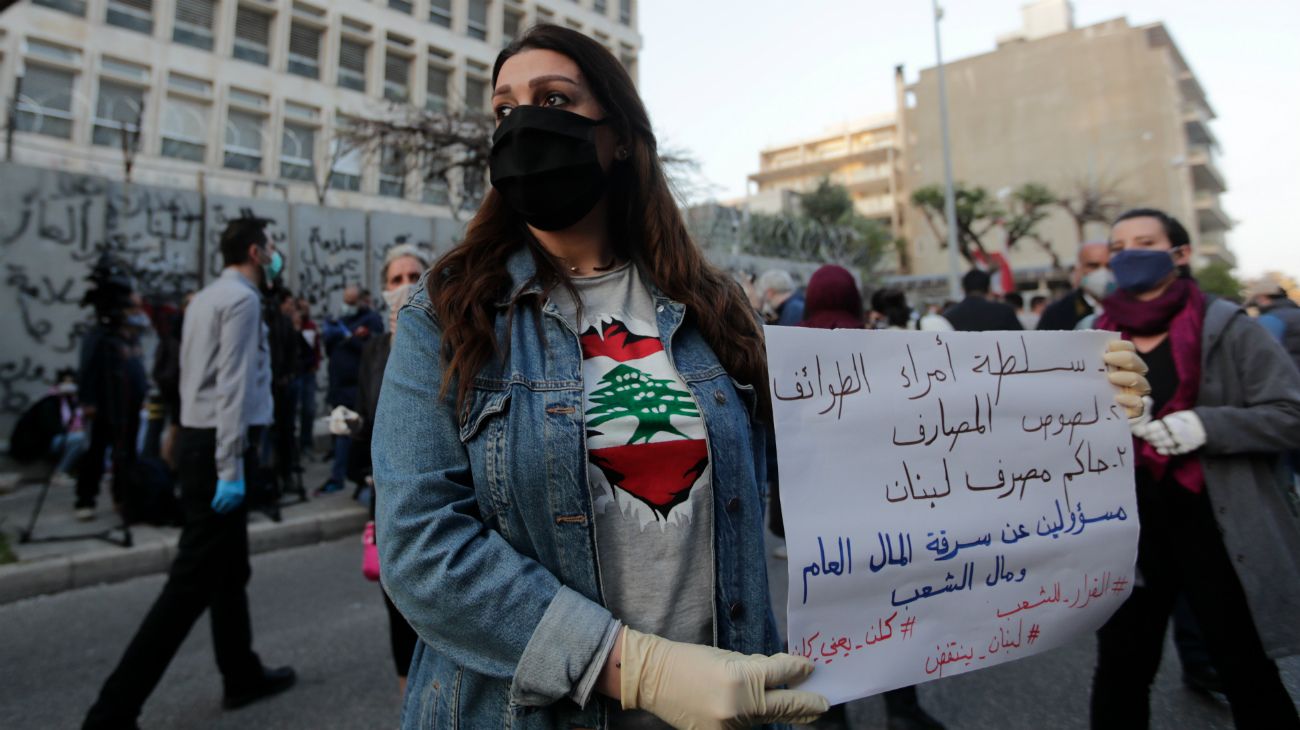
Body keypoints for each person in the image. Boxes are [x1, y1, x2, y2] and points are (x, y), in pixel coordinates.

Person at [372, 25, 829, 730]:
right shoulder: (447, 312)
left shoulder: (716, 310)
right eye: (503, 109)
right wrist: (638, 667)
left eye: (554, 99)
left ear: (618, 137)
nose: (522, 124)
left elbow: (800, 483)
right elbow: (420, 546)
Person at [1089, 208, 1300, 729]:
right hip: (1128, 533)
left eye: (1144, 242)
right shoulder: (1092, 336)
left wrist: (1207, 426)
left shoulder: (1227, 327)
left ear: (1180, 254)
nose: (1128, 255)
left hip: (1217, 527)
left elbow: (1289, 414)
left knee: (1244, 667)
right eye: (1118, 247)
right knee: (1121, 670)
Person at [82, 218, 295, 729]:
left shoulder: (204, 298)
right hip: (221, 448)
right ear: (253, 251)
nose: (275, 255)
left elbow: (190, 375)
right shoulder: (242, 301)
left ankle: (240, 674)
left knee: (228, 570)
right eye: (270, 247)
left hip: (202, 441)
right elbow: (231, 389)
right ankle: (112, 710)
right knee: (189, 584)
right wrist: (230, 467)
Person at [802, 266, 947, 730]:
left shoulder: (787, 350)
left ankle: (831, 713)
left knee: (825, 612)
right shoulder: (880, 347)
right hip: (882, 506)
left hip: (816, 511)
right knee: (892, 607)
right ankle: (902, 711)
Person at [333, 244, 428, 694]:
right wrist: (352, 426)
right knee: (396, 601)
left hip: (438, 491)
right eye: (396, 279)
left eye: (415, 276)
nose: (406, 286)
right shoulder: (374, 350)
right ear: (384, 288)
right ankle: (408, 700)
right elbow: (368, 412)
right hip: (387, 494)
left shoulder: (446, 338)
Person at [74, 259, 150, 522]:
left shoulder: (131, 336)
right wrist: (89, 401)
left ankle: (123, 497)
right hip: (107, 405)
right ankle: (85, 499)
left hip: (129, 404)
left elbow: (137, 368)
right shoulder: (100, 336)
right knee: (97, 451)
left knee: (127, 453)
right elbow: (88, 368)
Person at [319, 285, 383, 494]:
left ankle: (346, 476)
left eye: (352, 302)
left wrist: (351, 338)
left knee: (351, 433)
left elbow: (374, 351)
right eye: (345, 301)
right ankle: (343, 474)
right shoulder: (341, 321)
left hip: (356, 389)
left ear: (361, 301)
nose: (347, 306)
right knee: (339, 432)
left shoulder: (370, 320)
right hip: (339, 386)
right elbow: (332, 349)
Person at [1038, 242, 1112, 330]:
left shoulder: (1128, 307)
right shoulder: (1058, 312)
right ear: (1078, 269)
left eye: (1109, 266)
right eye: (1093, 266)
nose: (1103, 272)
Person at [941, 269, 1023, 332]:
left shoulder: (948, 315)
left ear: (963, 289)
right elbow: (1020, 339)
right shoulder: (1004, 311)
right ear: (988, 288)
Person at [294, 297, 323, 457]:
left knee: (309, 409)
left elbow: (316, 347)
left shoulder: (311, 326)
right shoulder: (294, 326)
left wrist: (316, 363)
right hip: (297, 373)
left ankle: (306, 442)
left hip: (308, 374)